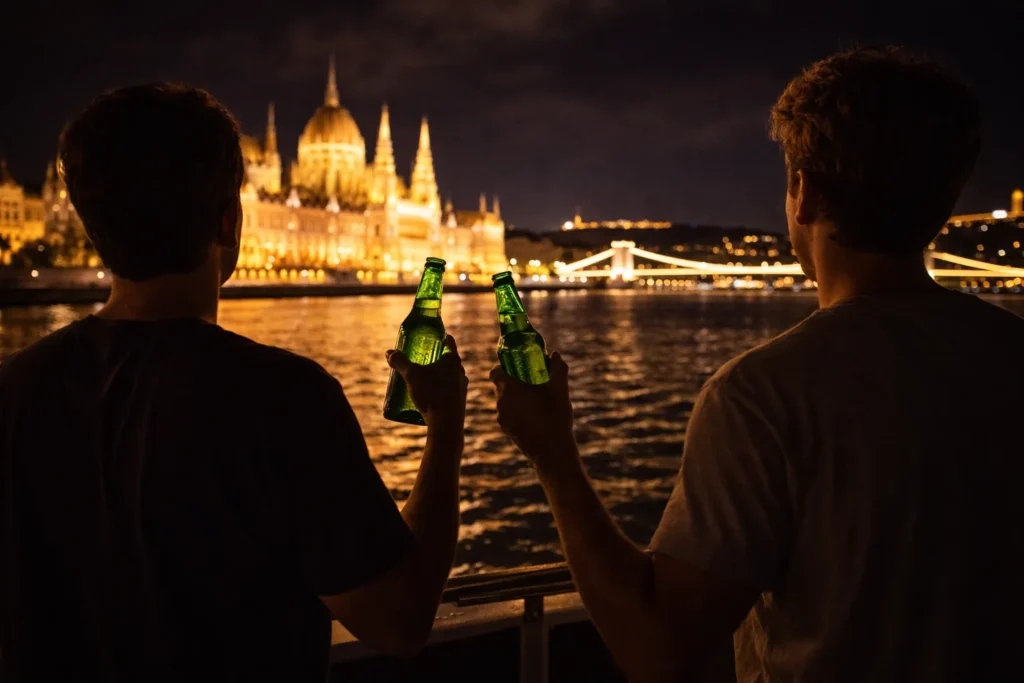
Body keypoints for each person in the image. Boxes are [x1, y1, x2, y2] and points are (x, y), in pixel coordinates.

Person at [492, 46, 1024, 683]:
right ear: (943, 200)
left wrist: (553, 455)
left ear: (806, 194)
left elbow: (658, 649)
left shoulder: (763, 396)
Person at [0, 84, 468, 681]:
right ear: (230, 221)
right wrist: (448, 426)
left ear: (93, 225)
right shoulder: (285, 400)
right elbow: (400, 622)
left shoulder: (14, 390)